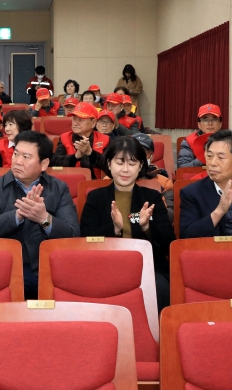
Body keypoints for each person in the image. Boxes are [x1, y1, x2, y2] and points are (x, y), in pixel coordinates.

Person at [0, 131, 79, 299]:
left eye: (26, 157)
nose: (17, 161)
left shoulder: (59, 189)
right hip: (7, 269)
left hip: (49, 268)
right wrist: (18, 215)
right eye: (16, 154)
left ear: (44, 164)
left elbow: (73, 236)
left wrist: (44, 219)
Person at [80, 137, 174, 311]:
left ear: (140, 166)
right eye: (120, 162)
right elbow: (86, 240)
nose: (125, 169)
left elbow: (168, 242)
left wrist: (147, 228)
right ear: (109, 164)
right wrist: (114, 229)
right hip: (106, 266)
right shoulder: (96, 198)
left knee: (160, 288)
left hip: (147, 268)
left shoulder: (152, 197)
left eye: (132, 163)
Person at [51, 102, 110, 177]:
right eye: (74, 119)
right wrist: (76, 156)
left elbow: (111, 165)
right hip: (70, 181)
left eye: (80, 120)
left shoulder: (105, 139)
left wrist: (90, 153)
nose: (75, 123)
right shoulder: (64, 138)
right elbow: (55, 163)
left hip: (98, 183)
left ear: (93, 123)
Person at [133, 133, 175, 222]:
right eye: (134, 151)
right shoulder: (110, 180)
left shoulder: (164, 182)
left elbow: (171, 216)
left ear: (151, 157)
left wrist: (157, 203)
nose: (138, 156)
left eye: (144, 152)